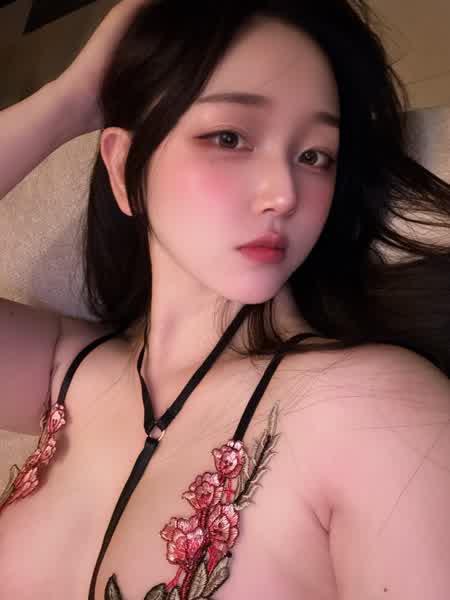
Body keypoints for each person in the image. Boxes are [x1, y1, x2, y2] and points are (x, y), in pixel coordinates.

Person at [0, 0, 449, 598]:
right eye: (230, 137)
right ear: (124, 166)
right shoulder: (66, 371)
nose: (284, 192)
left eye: (315, 155)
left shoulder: (379, 410)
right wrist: (71, 100)